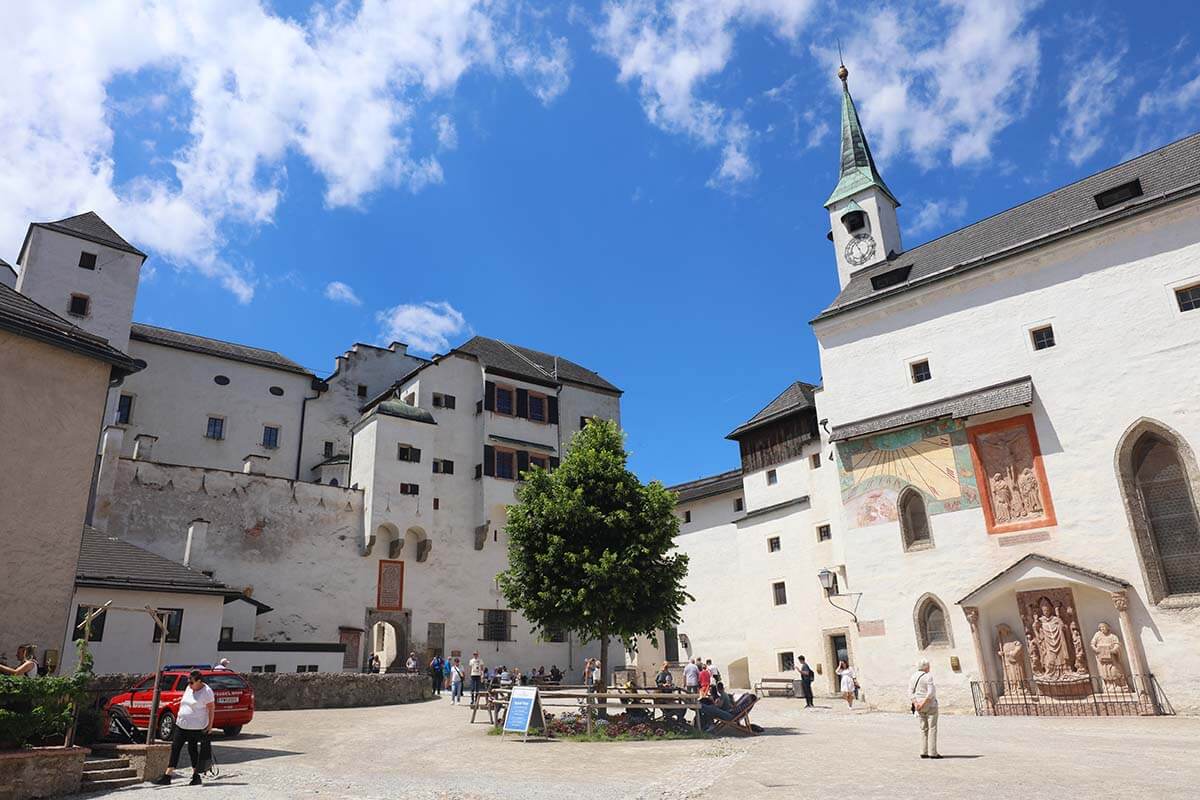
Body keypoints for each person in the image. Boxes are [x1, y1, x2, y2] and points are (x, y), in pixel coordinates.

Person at [155, 670, 214, 786]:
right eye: (188, 682)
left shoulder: (207, 692)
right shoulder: (189, 688)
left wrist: (210, 726)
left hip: (196, 727)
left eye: (192, 682)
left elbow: (211, 709)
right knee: (175, 748)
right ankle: (168, 775)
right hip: (181, 725)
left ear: (199, 681)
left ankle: (196, 776)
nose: (190, 685)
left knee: (192, 751)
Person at [909, 658, 940, 759]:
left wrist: (916, 703)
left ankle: (923, 751)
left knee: (923, 729)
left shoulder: (913, 677)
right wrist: (923, 703)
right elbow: (930, 693)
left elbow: (910, 692)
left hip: (918, 705)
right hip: (930, 705)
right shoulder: (928, 677)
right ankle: (933, 752)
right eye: (929, 666)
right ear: (926, 667)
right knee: (932, 728)